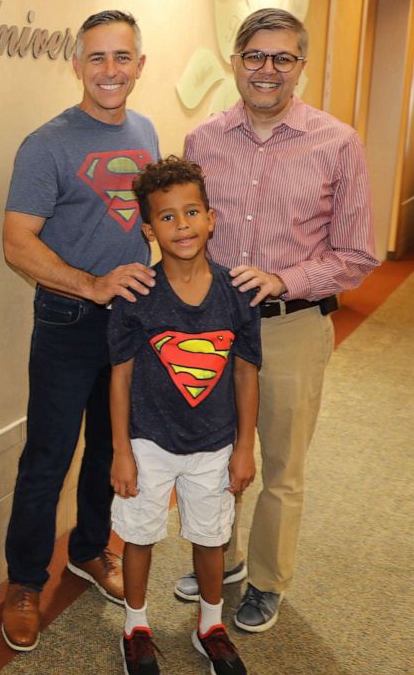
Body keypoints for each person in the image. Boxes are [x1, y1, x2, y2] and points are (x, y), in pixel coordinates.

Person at [178, 8, 379, 633]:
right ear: (236, 62)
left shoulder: (338, 142)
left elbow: (358, 254)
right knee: (213, 457)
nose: (268, 70)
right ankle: (226, 560)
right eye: (255, 57)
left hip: (291, 328)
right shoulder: (202, 140)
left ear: (301, 67)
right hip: (213, 327)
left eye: (283, 58)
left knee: (282, 466)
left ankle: (267, 581)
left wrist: (284, 279)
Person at [0, 10, 160, 652]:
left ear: (140, 66)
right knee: (48, 457)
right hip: (69, 321)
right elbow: (16, 244)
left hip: (130, 323)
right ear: (76, 64)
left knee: (107, 448)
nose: (110, 71)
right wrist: (91, 284)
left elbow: (139, 216)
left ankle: (91, 550)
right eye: (97, 58)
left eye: (122, 58)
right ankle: (23, 583)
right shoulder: (47, 144)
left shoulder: (145, 130)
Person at [109, 156, 260, 675]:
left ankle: (210, 625)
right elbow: (121, 376)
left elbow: (245, 373)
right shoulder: (136, 296)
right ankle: (136, 627)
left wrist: (244, 447)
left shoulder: (238, 294)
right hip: (148, 442)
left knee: (212, 536)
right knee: (139, 534)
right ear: (149, 229)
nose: (182, 226)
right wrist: (122, 452)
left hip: (215, 443)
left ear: (211, 217)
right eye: (167, 217)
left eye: (191, 212)